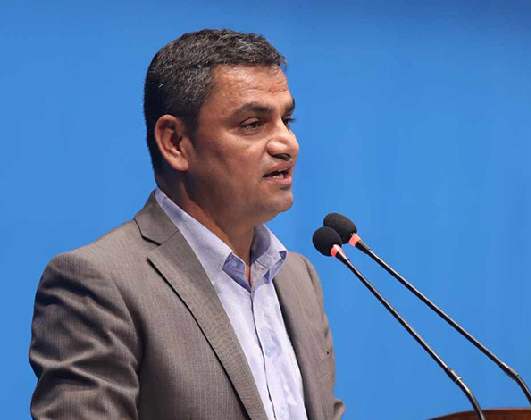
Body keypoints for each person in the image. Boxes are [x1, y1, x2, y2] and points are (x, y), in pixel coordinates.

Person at [29, 29, 344, 420]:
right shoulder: (99, 284)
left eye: (287, 119)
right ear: (175, 143)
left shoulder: (298, 279)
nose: (287, 143)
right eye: (252, 124)